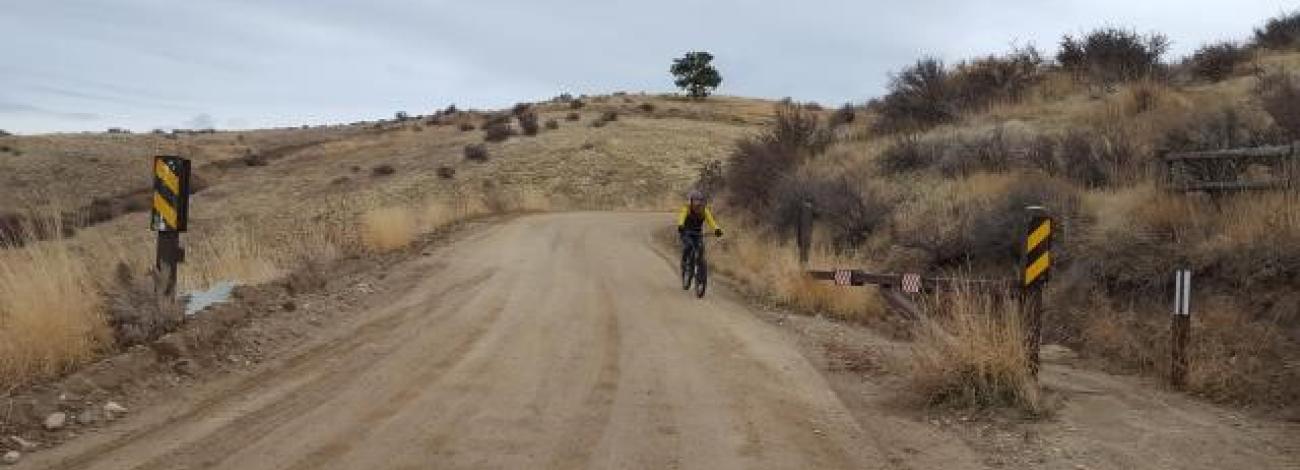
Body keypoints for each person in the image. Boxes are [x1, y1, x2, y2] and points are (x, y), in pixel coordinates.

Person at [677, 190, 723, 271]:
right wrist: (680, 225)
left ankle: (700, 270)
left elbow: (711, 221)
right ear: (691, 201)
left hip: (697, 233)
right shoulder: (686, 209)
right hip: (686, 232)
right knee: (688, 246)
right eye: (695, 201)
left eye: (699, 201)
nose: (697, 204)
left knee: (701, 248)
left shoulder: (704, 211)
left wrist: (717, 229)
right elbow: (682, 217)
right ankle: (684, 262)